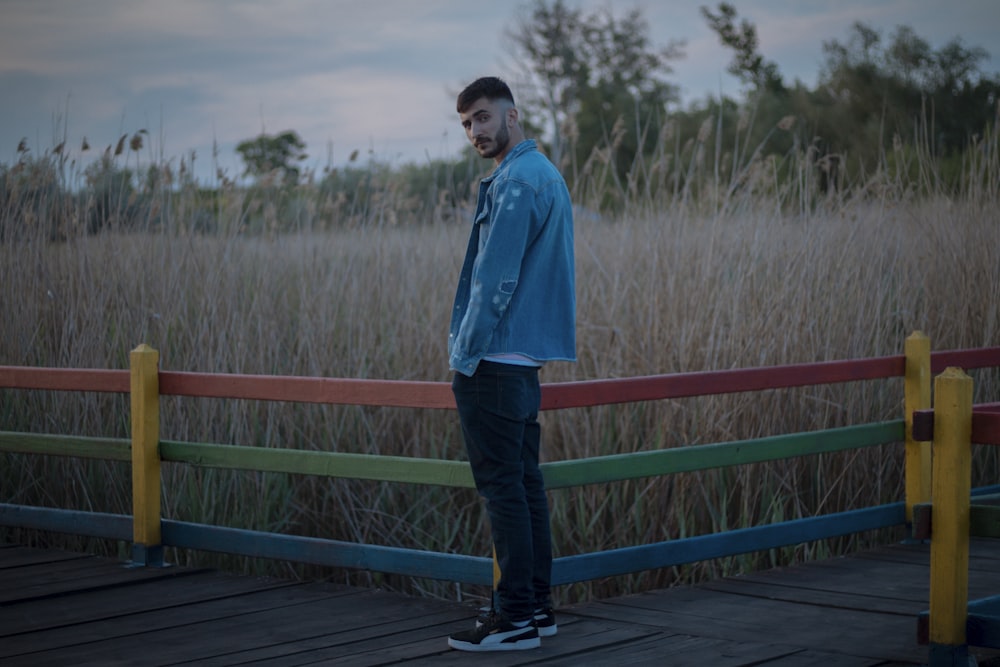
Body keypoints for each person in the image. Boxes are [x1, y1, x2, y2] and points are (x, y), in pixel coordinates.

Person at [446, 76, 576, 652]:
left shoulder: (518, 179)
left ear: (511, 115)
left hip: (494, 360)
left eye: (482, 117)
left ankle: (515, 619)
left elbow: (493, 278)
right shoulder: (545, 173)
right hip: (522, 360)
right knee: (524, 487)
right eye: (467, 123)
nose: (475, 131)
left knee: (504, 490)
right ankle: (535, 609)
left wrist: (464, 353)